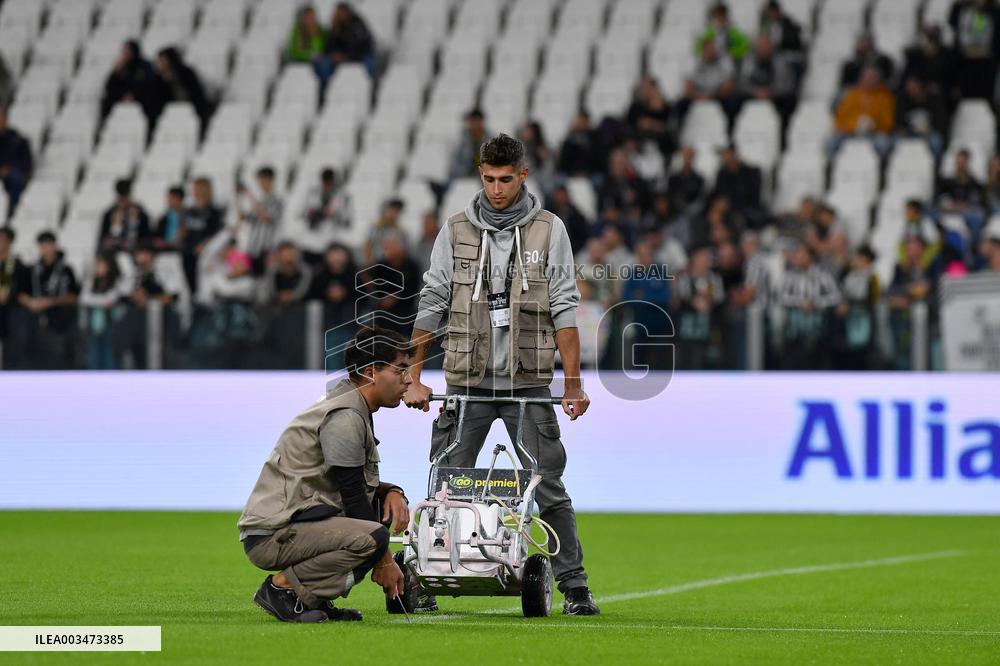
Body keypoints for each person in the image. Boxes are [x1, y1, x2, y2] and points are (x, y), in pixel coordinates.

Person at [404, 133, 600, 616]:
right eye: (489, 179)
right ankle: (425, 578)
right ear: (480, 174)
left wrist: (573, 385)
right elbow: (432, 301)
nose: (496, 189)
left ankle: (575, 588)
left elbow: (564, 307)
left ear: (523, 176)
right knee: (443, 488)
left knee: (547, 488)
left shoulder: (549, 230)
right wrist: (412, 376)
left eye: (505, 180)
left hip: (528, 383)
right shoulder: (454, 229)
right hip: (465, 383)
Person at [238, 326, 412, 623]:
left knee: (375, 519)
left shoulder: (352, 403)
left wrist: (392, 492)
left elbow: (354, 483)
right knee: (373, 537)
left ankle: (313, 599)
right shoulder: (345, 415)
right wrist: (384, 561)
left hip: (292, 525)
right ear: (371, 372)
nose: (408, 379)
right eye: (401, 369)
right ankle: (283, 589)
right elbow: (353, 496)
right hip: (273, 535)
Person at [15, 231, 80, 369]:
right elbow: (19, 292)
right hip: (34, 323)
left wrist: (50, 302)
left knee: (58, 360)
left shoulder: (65, 269)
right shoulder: (32, 269)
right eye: (43, 245)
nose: (46, 249)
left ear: (55, 246)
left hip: (59, 323)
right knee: (34, 360)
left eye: (49, 245)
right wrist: (31, 303)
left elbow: (74, 296)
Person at [831, 66, 896, 156]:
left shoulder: (885, 97)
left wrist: (873, 126)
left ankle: (883, 163)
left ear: (877, 81)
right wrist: (855, 125)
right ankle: (830, 162)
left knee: (883, 142)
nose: (867, 81)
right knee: (832, 141)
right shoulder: (851, 95)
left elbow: (888, 121)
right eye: (865, 78)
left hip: (876, 132)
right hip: (850, 131)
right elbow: (840, 118)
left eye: (871, 79)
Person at [101, 40, 164, 124]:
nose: (125, 53)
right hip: (123, 97)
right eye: (124, 50)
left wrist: (134, 95)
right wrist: (115, 72)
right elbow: (110, 87)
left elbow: (150, 84)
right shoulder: (121, 67)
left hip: (141, 97)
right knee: (106, 100)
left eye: (127, 50)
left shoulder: (145, 66)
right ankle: (104, 124)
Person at [79, 253, 124, 370]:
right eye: (97, 264)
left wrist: (95, 300)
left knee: (109, 351)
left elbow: (111, 299)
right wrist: (101, 302)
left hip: (112, 325)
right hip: (93, 325)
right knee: (93, 351)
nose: (99, 267)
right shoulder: (91, 281)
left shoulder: (117, 281)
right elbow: (84, 298)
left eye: (102, 265)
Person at [949, 0, 1000, 99]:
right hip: (965, 59)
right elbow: (953, 22)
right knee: (967, 93)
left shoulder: (992, 11)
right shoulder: (963, 8)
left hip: (986, 60)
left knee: (985, 93)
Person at [237, 166, 283, 274]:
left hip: (266, 250)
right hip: (252, 248)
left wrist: (249, 195)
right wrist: (238, 198)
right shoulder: (259, 201)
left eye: (263, 180)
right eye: (260, 180)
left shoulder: (277, 201)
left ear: (270, 180)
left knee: (264, 279)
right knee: (250, 277)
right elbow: (244, 218)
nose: (261, 184)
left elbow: (265, 218)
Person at [181, 177, 224, 292]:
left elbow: (216, 233)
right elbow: (185, 230)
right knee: (188, 282)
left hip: (204, 252)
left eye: (196, 188)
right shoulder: (189, 211)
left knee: (202, 283)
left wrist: (204, 245)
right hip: (188, 250)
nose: (193, 191)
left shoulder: (213, 211)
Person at [155, 47, 212, 128]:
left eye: (162, 60)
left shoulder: (186, 73)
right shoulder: (158, 77)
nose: (159, 63)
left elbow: (195, 93)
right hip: (170, 113)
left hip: (189, 110)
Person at [98, 179, 152, 254]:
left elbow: (146, 236)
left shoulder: (140, 213)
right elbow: (103, 236)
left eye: (124, 197)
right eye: (121, 198)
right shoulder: (110, 213)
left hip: (135, 250)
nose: (122, 201)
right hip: (113, 251)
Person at [324, 2, 376, 78]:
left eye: (343, 12)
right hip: (343, 56)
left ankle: (374, 80)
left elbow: (362, 44)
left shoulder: (357, 24)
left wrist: (346, 55)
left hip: (361, 54)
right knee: (326, 63)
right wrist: (335, 54)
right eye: (339, 13)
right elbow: (330, 44)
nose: (341, 15)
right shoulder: (335, 27)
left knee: (370, 62)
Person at [0, 108, 32, 215]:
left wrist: (8, 169)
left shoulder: (17, 139)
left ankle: (13, 210)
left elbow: (25, 161)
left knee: (15, 177)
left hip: (12, 172)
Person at [287, 5, 329, 86]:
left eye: (312, 17)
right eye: (308, 17)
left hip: (316, 60)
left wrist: (314, 36)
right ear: (303, 18)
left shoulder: (320, 29)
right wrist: (310, 55)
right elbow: (294, 51)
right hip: (298, 58)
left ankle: (323, 87)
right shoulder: (297, 29)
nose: (310, 20)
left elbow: (321, 48)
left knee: (325, 64)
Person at [451, 109, 490, 180]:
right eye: (472, 121)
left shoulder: (490, 140)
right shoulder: (462, 140)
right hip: (464, 175)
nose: (474, 125)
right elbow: (457, 163)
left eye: (477, 121)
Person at [155, 186, 185, 251]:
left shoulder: (188, 216)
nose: (169, 200)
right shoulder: (164, 217)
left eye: (172, 198)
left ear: (179, 199)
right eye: (169, 197)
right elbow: (158, 235)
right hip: (165, 247)